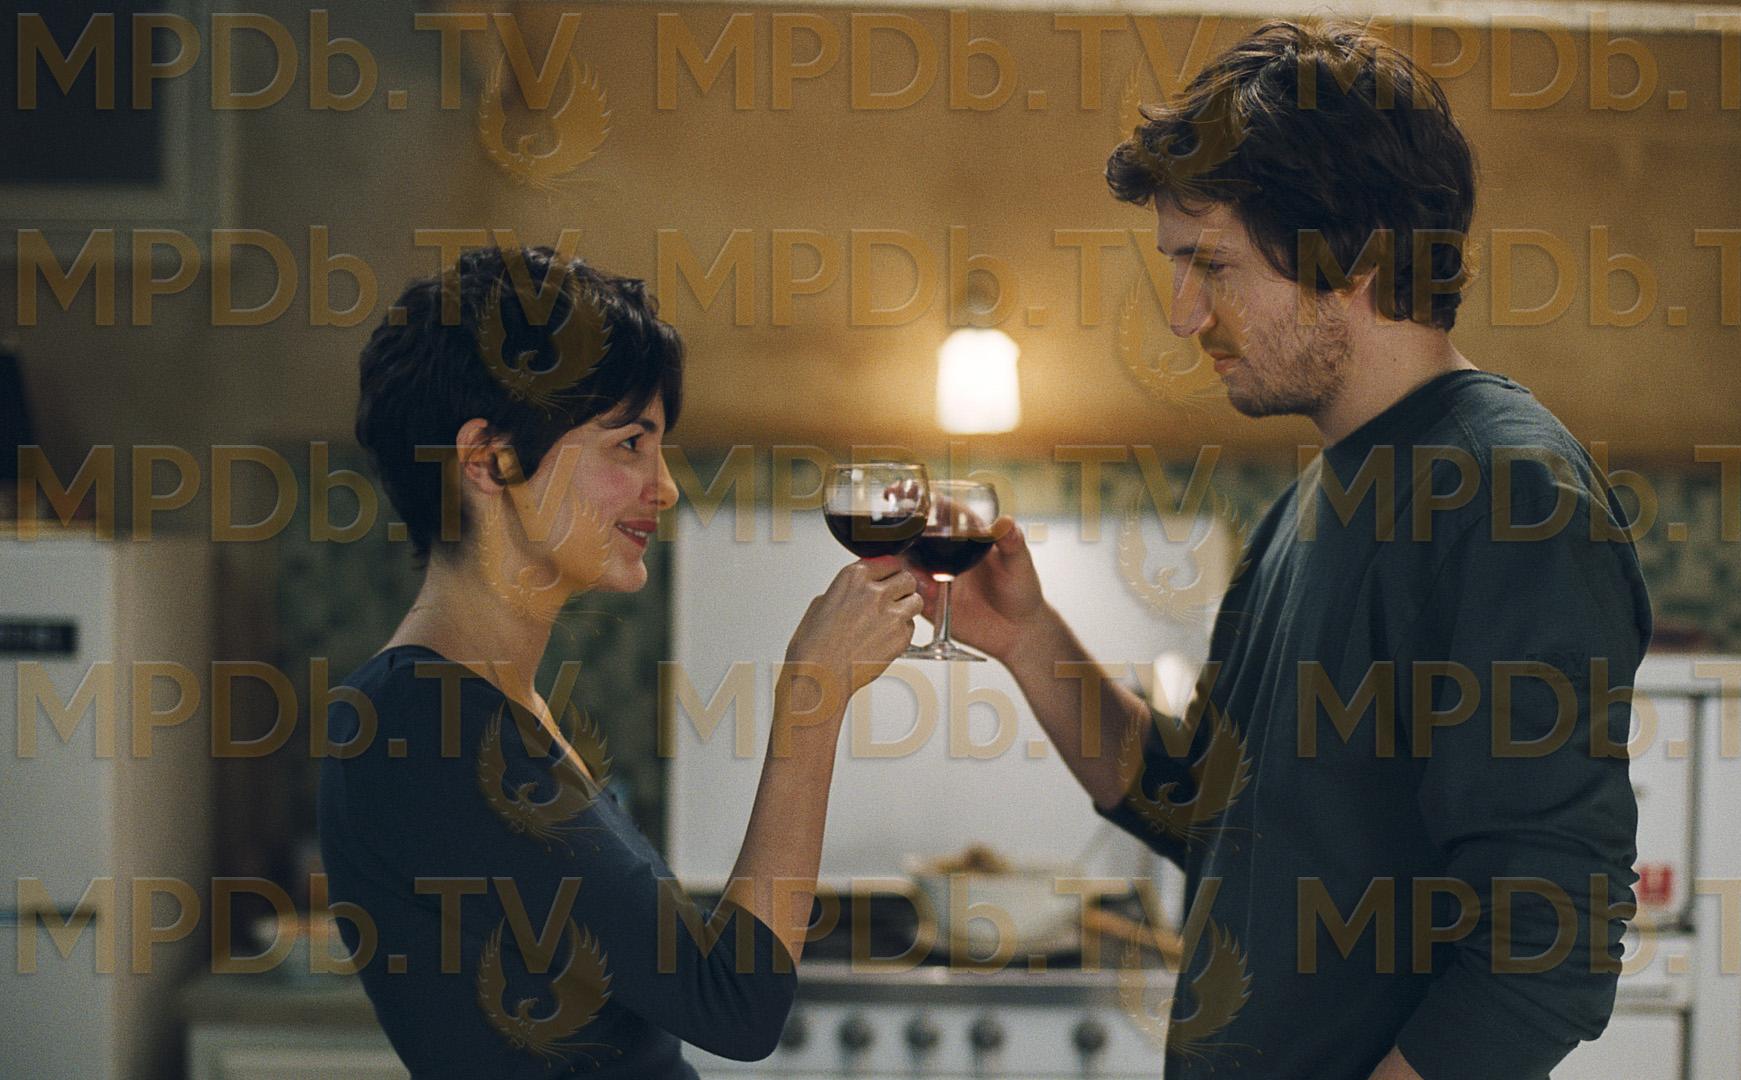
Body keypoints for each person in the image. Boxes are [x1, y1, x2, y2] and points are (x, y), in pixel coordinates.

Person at [918, 21, 1651, 1080]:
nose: (1183, 315)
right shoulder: (1315, 497)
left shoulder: (1509, 497)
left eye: (1210, 265)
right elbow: (1202, 805)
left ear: (1353, 256)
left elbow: (1548, 950)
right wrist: (1029, 639)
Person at [317, 246, 922, 1078]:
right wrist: (813, 702)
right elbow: (734, 1003)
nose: (664, 486)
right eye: (629, 443)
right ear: (488, 459)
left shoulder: (490, 704)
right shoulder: (423, 727)